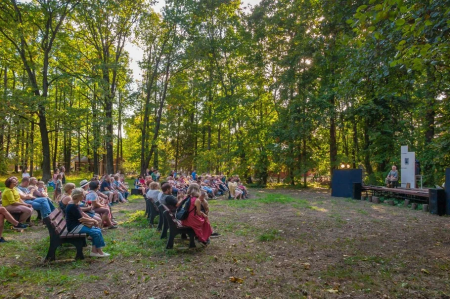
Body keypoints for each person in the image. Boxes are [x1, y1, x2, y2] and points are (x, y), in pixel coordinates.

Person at [66, 188, 110, 257]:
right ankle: (99, 252)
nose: (84, 197)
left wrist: (91, 219)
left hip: (78, 225)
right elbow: (81, 218)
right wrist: (93, 220)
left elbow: (82, 213)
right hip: (74, 227)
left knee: (98, 230)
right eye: (82, 195)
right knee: (95, 232)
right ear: (78, 196)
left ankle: (94, 251)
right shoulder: (72, 206)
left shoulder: (75, 203)